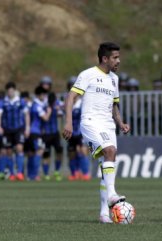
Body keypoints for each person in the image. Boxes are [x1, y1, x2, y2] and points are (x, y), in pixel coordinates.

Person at [63, 42, 130, 223]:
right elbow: (71, 97)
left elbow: (114, 105)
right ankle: (112, 195)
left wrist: (120, 122)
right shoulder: (88, 74)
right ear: (104, 58)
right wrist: (68, 122)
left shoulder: (114, 79)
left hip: (108, 125)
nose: (118, 61)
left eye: (119, 57)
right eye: (115, 57)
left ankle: (103, 214)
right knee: (110, 151)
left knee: (106, 166)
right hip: (90, 122)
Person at [0, 82, 30, 181]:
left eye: (12, 90)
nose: (10, 92)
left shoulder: (21, 101)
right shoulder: (3, 102)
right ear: (7, 92)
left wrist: (27, 128)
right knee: (8, 151)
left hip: (18, 129)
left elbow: (26, 114)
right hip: (7, 130)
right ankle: (11, 173)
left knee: (20, 148)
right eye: (9, 91)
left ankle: (19, 173)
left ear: (15, 91)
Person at [38, 77, 64, 181]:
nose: (45, 86)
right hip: (45, 132)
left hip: (54, 131)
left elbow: (61, 108)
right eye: (44, 84)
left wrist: (60, 109)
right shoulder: (40, 99)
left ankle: (57, 171)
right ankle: (46, 173)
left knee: (59, 152)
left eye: (47, 84)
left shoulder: (54, 98)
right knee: (46, 154)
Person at [66, 76, 91, 181]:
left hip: (81, 131)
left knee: (82, 150)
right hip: (71, 132)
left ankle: (85, 173)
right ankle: (74, 173)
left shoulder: (83, 102)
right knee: (71, 152)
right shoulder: (67, 102)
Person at [25, 86, 51, 181]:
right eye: (43, 94)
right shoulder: (37, 106)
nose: (44, 96)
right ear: (39, 95)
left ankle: (30, 175)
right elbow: (45, 118)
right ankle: (34, 175)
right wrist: (49, 112)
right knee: (39, 151)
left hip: (32, 132)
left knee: (32, 153)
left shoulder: (34, 104)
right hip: (36, 132)